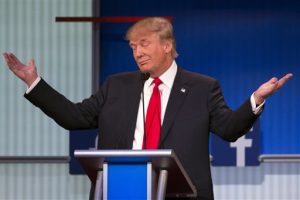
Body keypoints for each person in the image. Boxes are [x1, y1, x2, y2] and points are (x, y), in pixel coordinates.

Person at [3, 17, 292, 200]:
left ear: (167, 46)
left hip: (182, 195)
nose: (137, 52)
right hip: (120, 193)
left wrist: (256, 98)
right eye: (132, 46)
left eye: (144, 44)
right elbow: (74, 117)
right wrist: (35, 83)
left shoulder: (202, 87)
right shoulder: (117, 86)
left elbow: (229, 129)